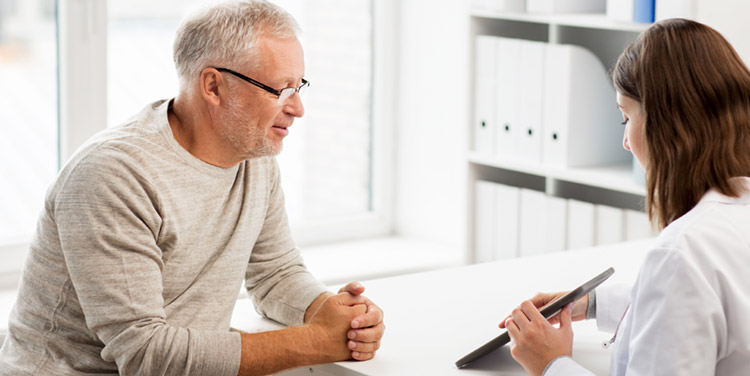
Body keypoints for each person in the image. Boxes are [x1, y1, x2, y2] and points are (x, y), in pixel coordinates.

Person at [0, 1, 384, 375]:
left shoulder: (255, 156)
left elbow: (275, 274)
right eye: (280, 89)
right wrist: (316, 341)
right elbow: (145, 354)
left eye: (298, 85)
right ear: (213, 86)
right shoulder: (112, 175)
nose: (298, 107)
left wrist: (336, 316)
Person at [499, 18, 750, 376]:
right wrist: (594, 303)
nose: (626, 141)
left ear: (667, 125)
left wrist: (552, 364)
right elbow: (710, 306)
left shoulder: (682, 253)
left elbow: (687, 285)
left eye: (625, 118)